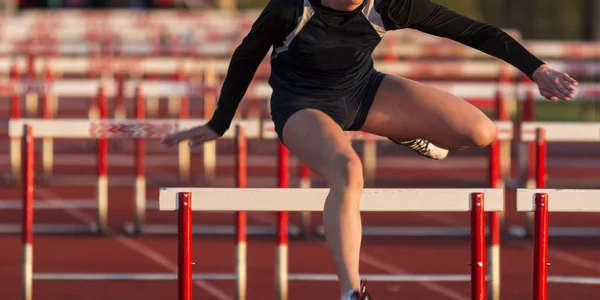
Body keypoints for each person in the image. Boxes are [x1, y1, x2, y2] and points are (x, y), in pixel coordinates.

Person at [161, 0, 578, 298]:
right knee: (348, 170)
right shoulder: (290, 9)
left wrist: (536, 70)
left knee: (480, 131)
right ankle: (350, 291)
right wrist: (219, 123)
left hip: (364, 92)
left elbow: (471, 30)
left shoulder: (388, 5)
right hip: (302, 105)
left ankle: (399, 130)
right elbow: (246, 55)